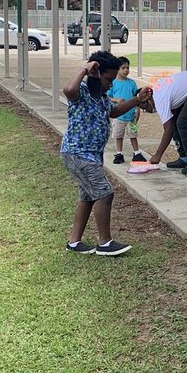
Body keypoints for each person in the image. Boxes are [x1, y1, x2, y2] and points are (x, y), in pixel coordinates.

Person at [61, 51, 149, 257]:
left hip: (90, 155)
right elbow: (68, 89)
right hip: (78, 153)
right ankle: (104, 243)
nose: (111, 84)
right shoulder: (81, 91)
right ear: (95, 73)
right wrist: (84, 69)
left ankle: (74, 242)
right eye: (108, 79)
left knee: (88, 196)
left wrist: (137, 99)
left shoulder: (100, 97)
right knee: (105, 193)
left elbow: (115, 112)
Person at [142, 71, 187, 175]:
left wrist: (158, 155)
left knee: (182, 123)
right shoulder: (157, 91)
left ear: (148, 98)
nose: (147, 111)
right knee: (175, 121)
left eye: (145, 107)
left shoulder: (159, 99)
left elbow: (168, 130)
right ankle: (184, 158)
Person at [108, 58, 148, 165]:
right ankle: (119, 153)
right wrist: (116, 100)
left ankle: (136, 153)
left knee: (133, 134)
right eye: (123, 68)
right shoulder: (113, 83)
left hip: (131, 117)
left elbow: (137, 98)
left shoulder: (132, 83)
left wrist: (137, 110)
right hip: (118, 116)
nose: (126, 70)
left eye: (127, 68)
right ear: (117, 69)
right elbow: (107, 97)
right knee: (118, 135)